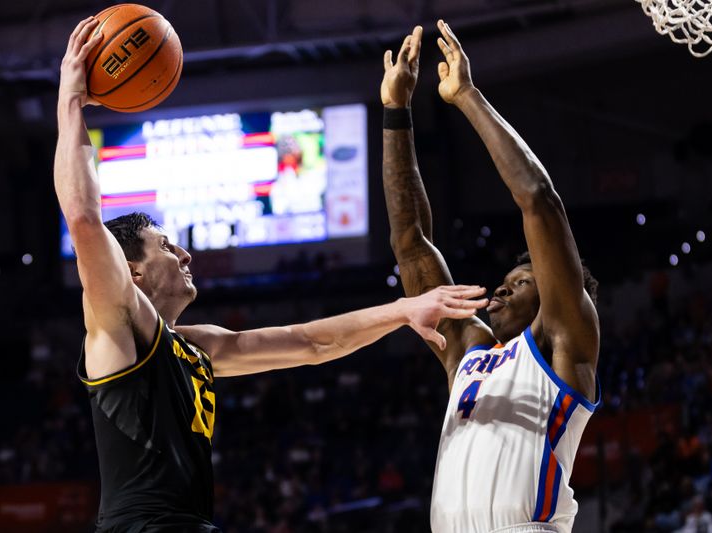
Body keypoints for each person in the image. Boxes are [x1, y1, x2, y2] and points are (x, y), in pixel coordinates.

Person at [55, 17, 488, 533]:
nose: (186, 255)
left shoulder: (196, 349)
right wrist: (71, 103)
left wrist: (401, 310)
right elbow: (83, 218)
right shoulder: (117, 326)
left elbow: (310, 344)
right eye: (167, 247)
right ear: (132, 273)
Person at [380, 22, 601, 533]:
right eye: (505, 280)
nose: (500, 288)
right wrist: (396, 112)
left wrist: (467, 97)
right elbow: (410, 242)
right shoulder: (468, 354)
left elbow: (539, 203)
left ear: (555, 297)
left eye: (521, 282)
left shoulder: (564, 344)